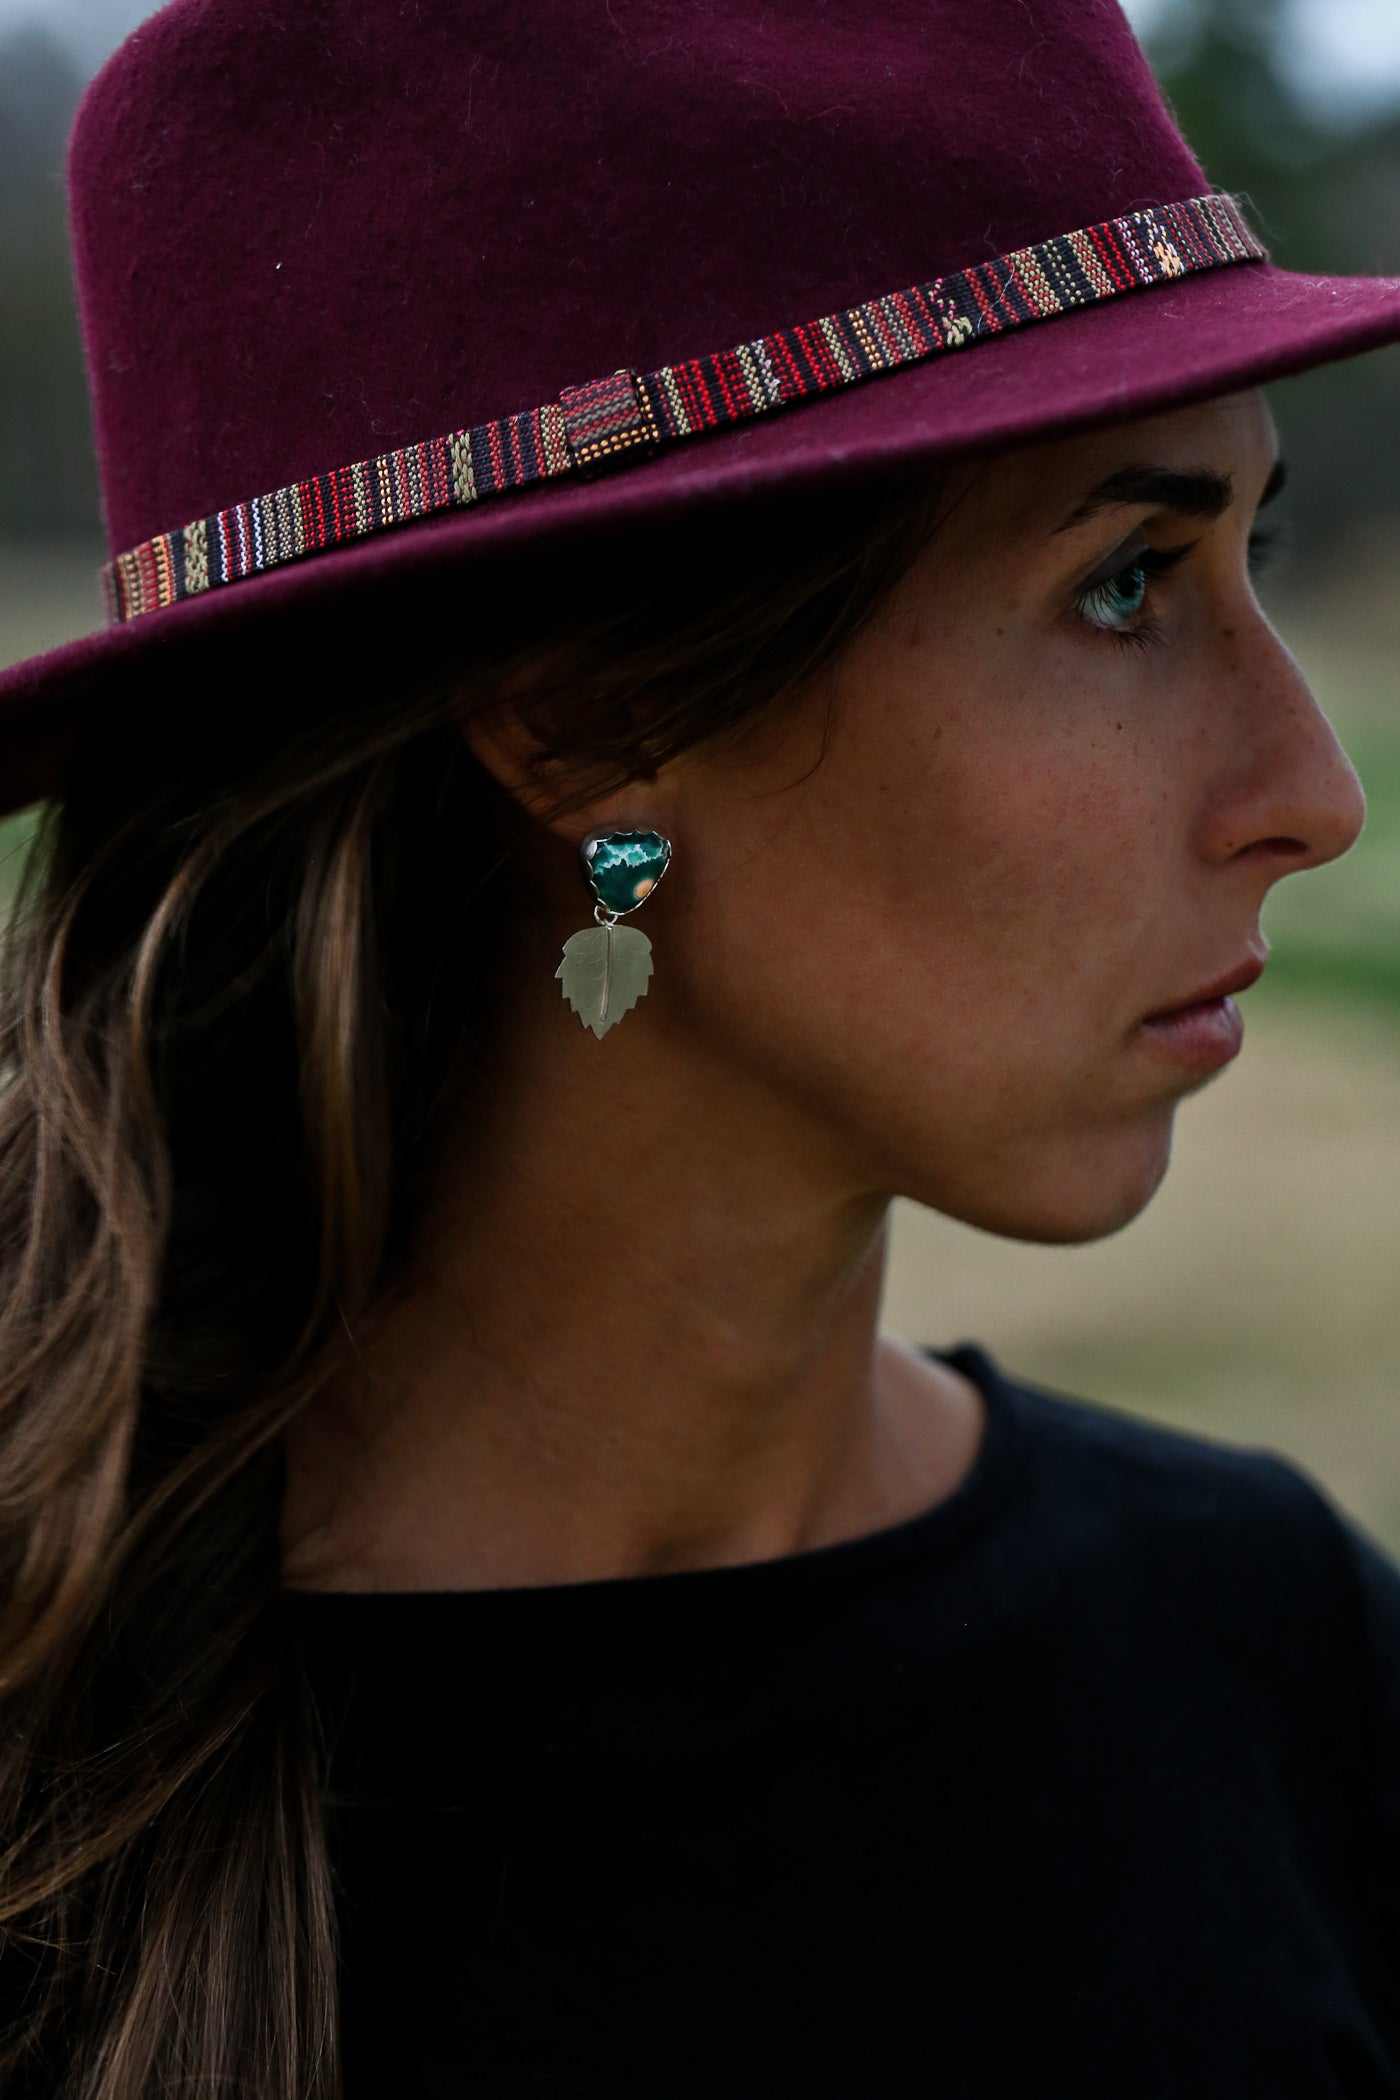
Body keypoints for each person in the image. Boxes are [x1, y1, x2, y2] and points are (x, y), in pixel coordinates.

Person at [0, 0, 1396, 2092]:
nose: (1311, 790)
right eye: (1124, 585)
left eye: (1248, 550)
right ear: (577, 720)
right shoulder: (62, 1788)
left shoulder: (1267, 1659)